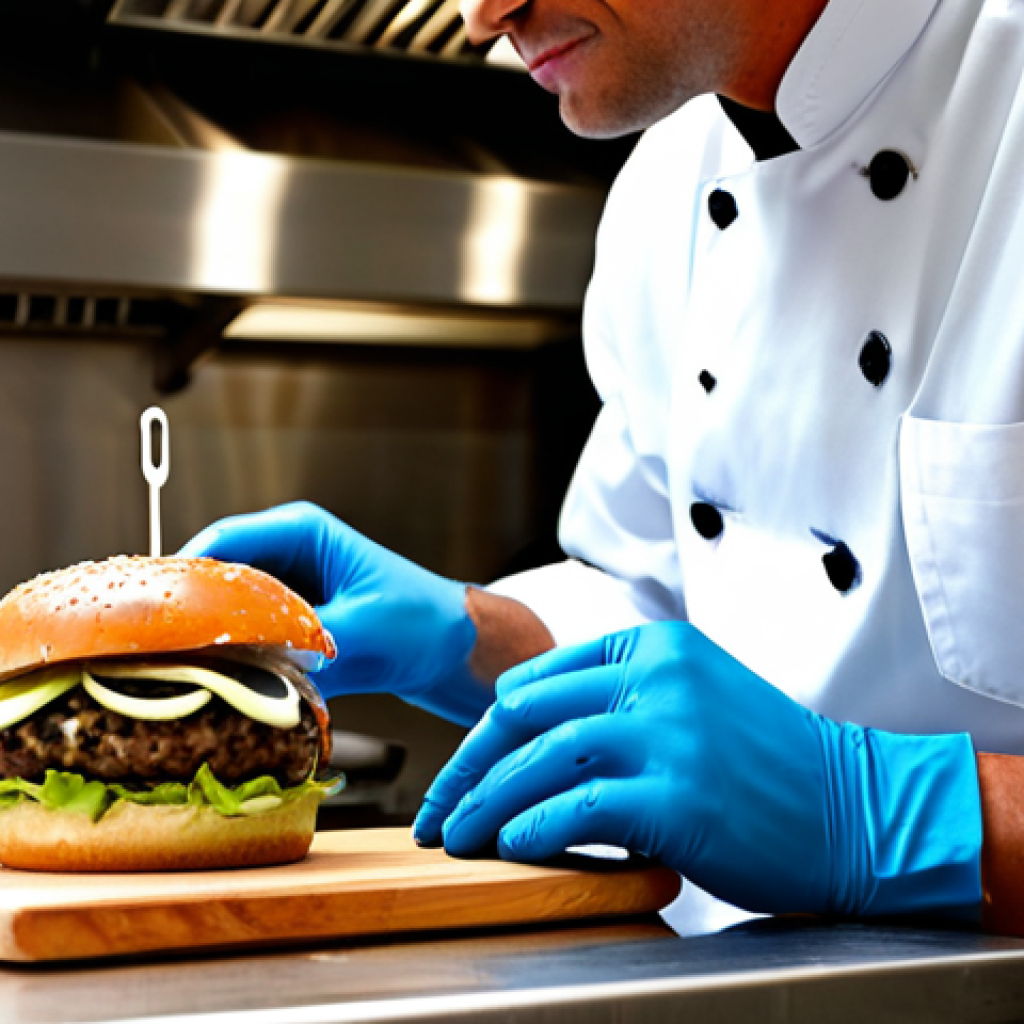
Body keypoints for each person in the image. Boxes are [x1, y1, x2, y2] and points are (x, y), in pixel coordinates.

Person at [182, 0, 1024, 934]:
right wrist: (467, 632)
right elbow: (669, 612)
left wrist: (879, 815)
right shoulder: (663, 189)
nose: (480, 15)